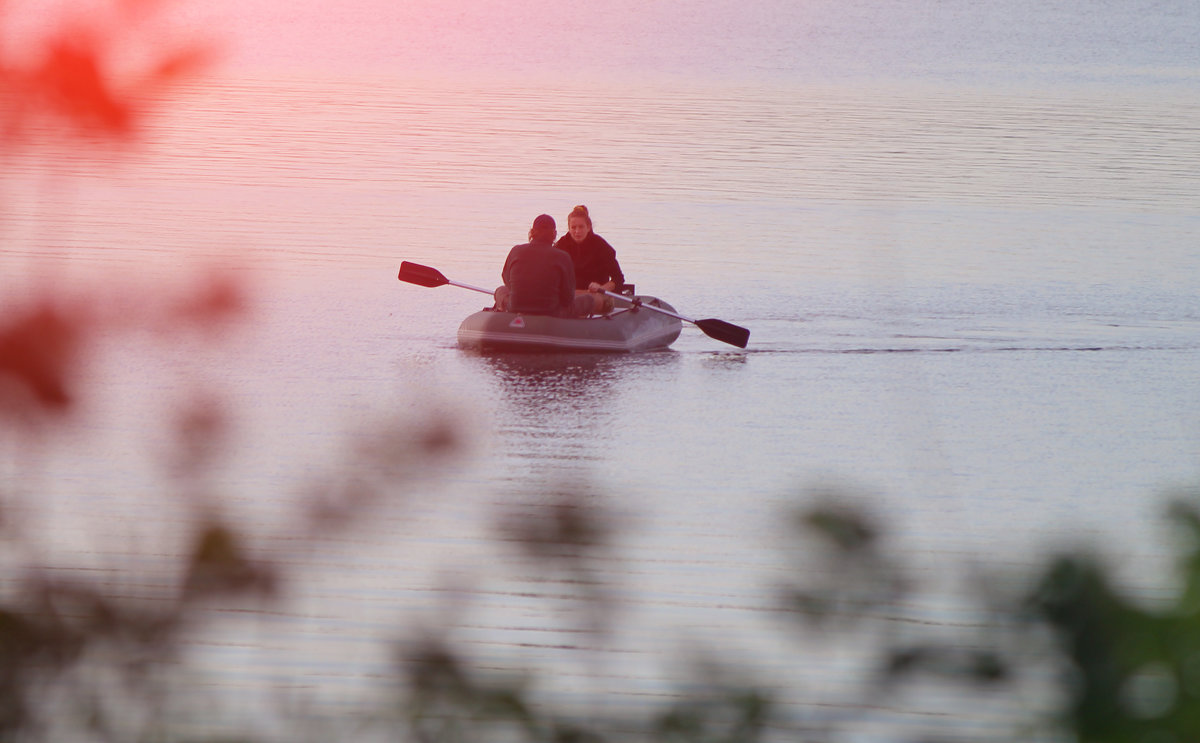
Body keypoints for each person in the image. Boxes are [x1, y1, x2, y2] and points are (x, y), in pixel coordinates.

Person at [494, 214, 594, 317]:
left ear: (532, 232)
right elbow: (567, 298)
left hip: (515, 307)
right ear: (554, 234)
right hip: (551, 311)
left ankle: (507, 315)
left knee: (500, 290)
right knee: (589, 300)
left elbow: (506, 278)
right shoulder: (562, 257)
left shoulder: (516, 251)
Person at [554, 205, 625, 315]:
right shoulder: (560, 246)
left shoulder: (601, 246)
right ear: (569, 228)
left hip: (596, 295)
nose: (577, 231)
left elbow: (618, 279)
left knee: (592, 300)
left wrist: (602, 288)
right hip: (571, 295)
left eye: (581, 227)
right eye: (573, 227)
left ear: (588, 227)